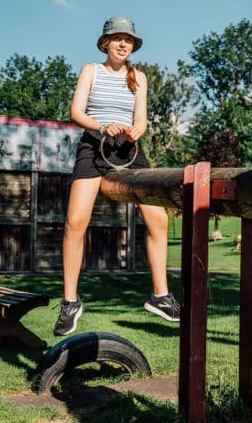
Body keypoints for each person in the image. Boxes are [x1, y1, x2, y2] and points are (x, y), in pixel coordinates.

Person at [53, 17, 181, 336]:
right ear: (105, 43)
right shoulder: (90, 71)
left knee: (158, 220)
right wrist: (100, 126)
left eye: (129, 40)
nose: (123, 44)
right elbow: (76, 112)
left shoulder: (138, 77)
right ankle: (70, 302)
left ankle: (160, 296)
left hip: (129, 150)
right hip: (94, 148)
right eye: (117, 39)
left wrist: (138, 128)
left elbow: (141, 118)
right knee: (75, 222)